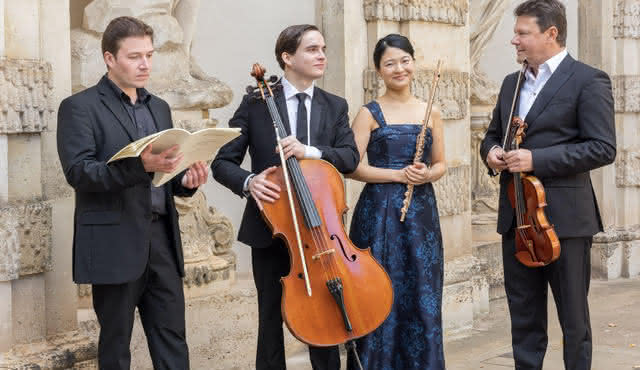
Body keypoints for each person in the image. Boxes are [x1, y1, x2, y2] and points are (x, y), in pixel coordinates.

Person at [57, 16, 209, 370]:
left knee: (173, 339)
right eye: (134, 56)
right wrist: (140, 166)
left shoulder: (159, 107)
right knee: (115, 345)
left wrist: (185, 182)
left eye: (149, 55)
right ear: (109, 58)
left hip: (162, 241)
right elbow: (79, 172)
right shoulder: (79, 107)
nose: (145, 64)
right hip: (113, 241)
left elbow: (164, 171)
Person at [211, 24, 359, 370]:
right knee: (270, 319)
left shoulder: (334, 105)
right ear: (287, 57)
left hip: (321, 231)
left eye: (322, 48)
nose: (321, 55)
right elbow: (221, 161)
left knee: (326, 314)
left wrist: (309, 151)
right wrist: (249, 181)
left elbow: (350, 158)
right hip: (271, 229)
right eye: (311, 49)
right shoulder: (256, 102)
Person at [480, 1, 616, 369]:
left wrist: (536, 159)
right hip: (517, 217)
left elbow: (603, 148)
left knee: (574, 320)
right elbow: (493, 134)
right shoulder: (512, 82)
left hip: (565, 221)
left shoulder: (589, 79)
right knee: (523, 319)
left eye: (522, 33)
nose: (514, 41)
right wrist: (492, 151)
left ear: (551, 34)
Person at [346, 34, 446, 369]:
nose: (398, 68)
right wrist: (397, 175)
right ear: (379, 70)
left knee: (421, 288)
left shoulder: (431, 111)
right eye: (390, 63)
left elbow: (441, 164)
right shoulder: (368, 113)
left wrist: (424, 174)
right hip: (378, 213)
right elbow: (353, 167)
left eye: (404, 60)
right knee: (379, 288)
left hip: (421, 214)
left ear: (413, 63)